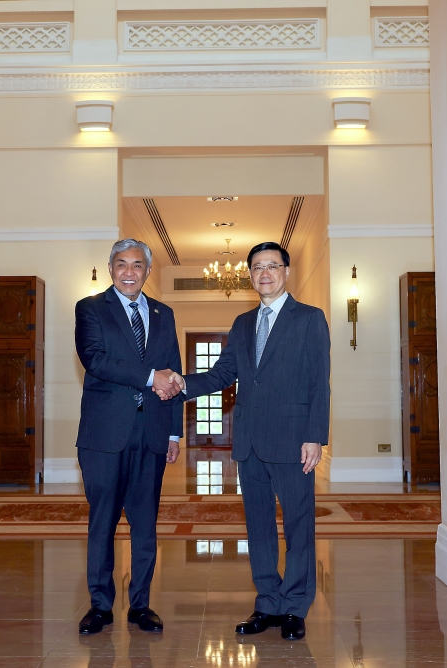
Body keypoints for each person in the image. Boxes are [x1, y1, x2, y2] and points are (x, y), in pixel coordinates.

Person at [167, 241, 330, 641]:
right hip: (250, 443)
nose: (265, 273)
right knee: (258, 527)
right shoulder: (242, 324)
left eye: (272, 266)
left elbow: (318, 382)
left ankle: (294, 607)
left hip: (294, 441)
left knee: (297, 525)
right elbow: (224, 373)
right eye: (257, 267)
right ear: (251, 276)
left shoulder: (310, 319)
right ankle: (268, 604)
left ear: (286, 272)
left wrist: (315, 437)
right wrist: (181, 383)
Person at [74, 238, 184, 635]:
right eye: (121, 264)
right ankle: (100, 606)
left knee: (145, 523)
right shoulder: (90, 309)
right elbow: (96, 360)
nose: (129, 272)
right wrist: (151, 377)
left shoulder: (164, 313)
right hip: (104, 435)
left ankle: (141, 604)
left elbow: (173, 368)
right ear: (110, 268)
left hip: (152, 433)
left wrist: (174, 432)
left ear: (147, 271)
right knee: (102, 522)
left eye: (137, 265)